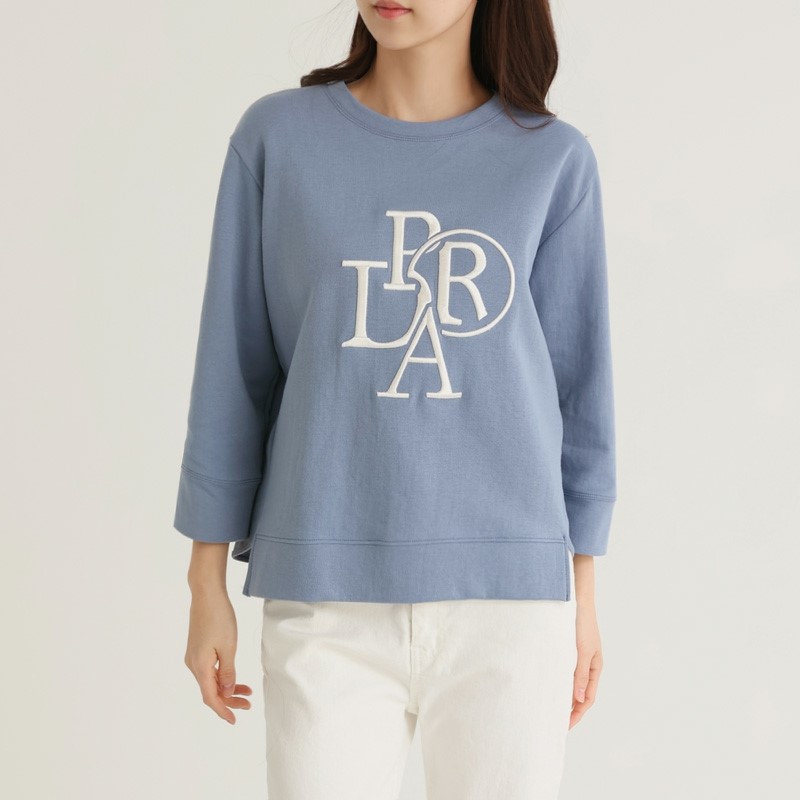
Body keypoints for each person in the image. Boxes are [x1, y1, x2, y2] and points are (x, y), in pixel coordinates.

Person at [174, 1, 618, 797]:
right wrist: (205, 580)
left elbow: (579, 394)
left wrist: (582, 592)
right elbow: (234, 368)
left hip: (510, 603)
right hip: (323, 591)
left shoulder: (553, 161)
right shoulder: (277, 139)